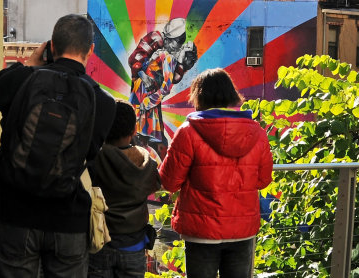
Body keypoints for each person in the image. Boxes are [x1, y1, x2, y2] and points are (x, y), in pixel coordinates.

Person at [0, 14, 116, 278]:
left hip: (15, 218)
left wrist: (23, 67)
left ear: (51, 47)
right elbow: (88, 153)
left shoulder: (24, 79)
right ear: (90, 50)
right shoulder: (103, 101)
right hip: (68, 221)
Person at [159, 68, 273, 278]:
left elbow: (169, 182)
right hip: (241, 229)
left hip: (201, 231)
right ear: (231, 94)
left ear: (199, 96)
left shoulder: (188, 132)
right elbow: (264, 180)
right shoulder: (256, 132)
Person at [88, 99, 161, 278]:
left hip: (99, 245)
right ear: (134, 130)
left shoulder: (94, 158)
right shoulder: (147, 163)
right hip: (134, 248)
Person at [128, 18, 197, 144]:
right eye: (176, 44)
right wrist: (144, 76)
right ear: (170, 40)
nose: (176, 48)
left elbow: (170, 82)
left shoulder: (170, 57)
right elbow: (134, 59)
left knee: (143, 139)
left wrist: (182, 62)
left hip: (147, 100)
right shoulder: (156, 40)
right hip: (143, 98)